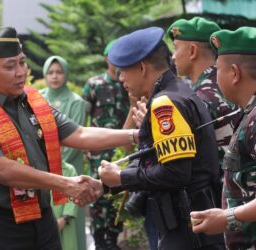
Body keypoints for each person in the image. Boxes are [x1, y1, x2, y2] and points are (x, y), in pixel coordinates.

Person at [0, 26, 139, 250]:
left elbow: (79, 133)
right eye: (10, 66)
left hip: (42, 220)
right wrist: (64, 184)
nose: (21, 72)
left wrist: (136, 134)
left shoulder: (32, 102)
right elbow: (0, 170)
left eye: (22, 62)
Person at [97, 27, 226, 250]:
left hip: (186, 228)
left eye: (123, 71)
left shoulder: (165, 103)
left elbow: (175, 172)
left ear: (141, 67)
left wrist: (121, 178)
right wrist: (109, 181)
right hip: (193, 222)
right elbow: (157, 158)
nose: (121, 79)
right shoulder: (179, 91)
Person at [191, 26, 256, 249]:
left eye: (217, 69)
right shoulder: (247, 113)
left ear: (234, 73)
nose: (214, 76)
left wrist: (229, 217)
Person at [167, 17, 240, 174]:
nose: (173, 56)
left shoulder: (199, 98)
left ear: (193, 51)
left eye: (176, 48)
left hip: (221, 190)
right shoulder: (233, 83)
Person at [82, 40, 129, 250]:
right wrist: (83, 145)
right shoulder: (94, 84)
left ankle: (114, 237)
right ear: (106, 58)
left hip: (121, 151)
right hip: (97, 150)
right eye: (113, 56)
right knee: (97, 194)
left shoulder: (128, 82)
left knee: (118, 193)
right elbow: (83, 116)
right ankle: (100, 239)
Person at [40, 55, 88, 250]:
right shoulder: (37, 98)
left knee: (69, 220)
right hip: (42, 170)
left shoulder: (76, 102)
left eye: (59, 72)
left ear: (66, 74)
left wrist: (51, 163)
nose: (55, 76)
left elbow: (74, 138)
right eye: (50, 72)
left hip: (69, 169)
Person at [52, 160, 79, 250]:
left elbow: (75, 195)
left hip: (65, 222)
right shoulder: (40, 169)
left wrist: (64, 218)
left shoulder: (70, 170)